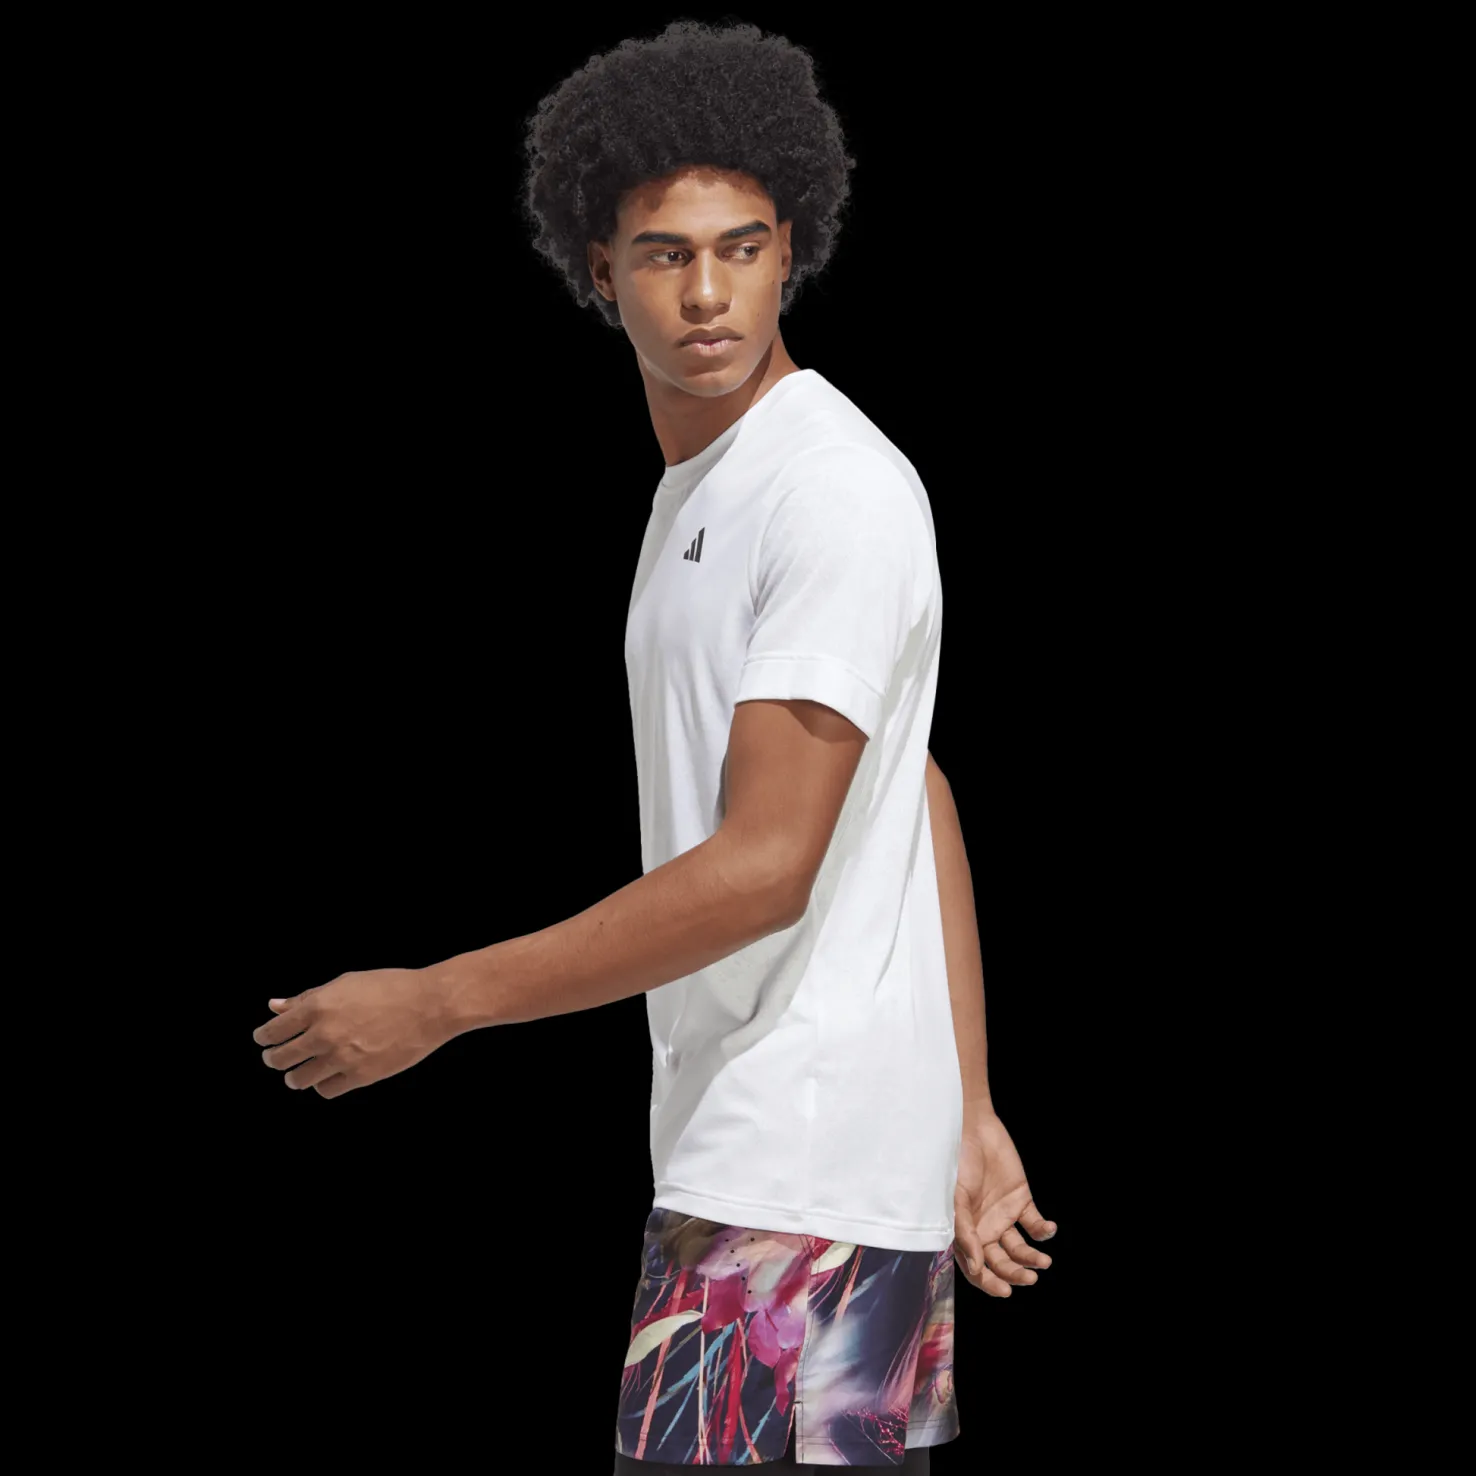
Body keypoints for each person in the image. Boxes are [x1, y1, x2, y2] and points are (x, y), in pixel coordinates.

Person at [252, 17, 1057, 1471]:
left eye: (740, 249)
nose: (705, 295)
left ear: (791, 247)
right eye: (663, 255)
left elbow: (766, 867)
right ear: (596, 270)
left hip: (792, 1175)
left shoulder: (828, 489)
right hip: (787, 1160)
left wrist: (439, 1002)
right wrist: (971, 1103)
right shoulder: (709, 487)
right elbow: (911, 778)